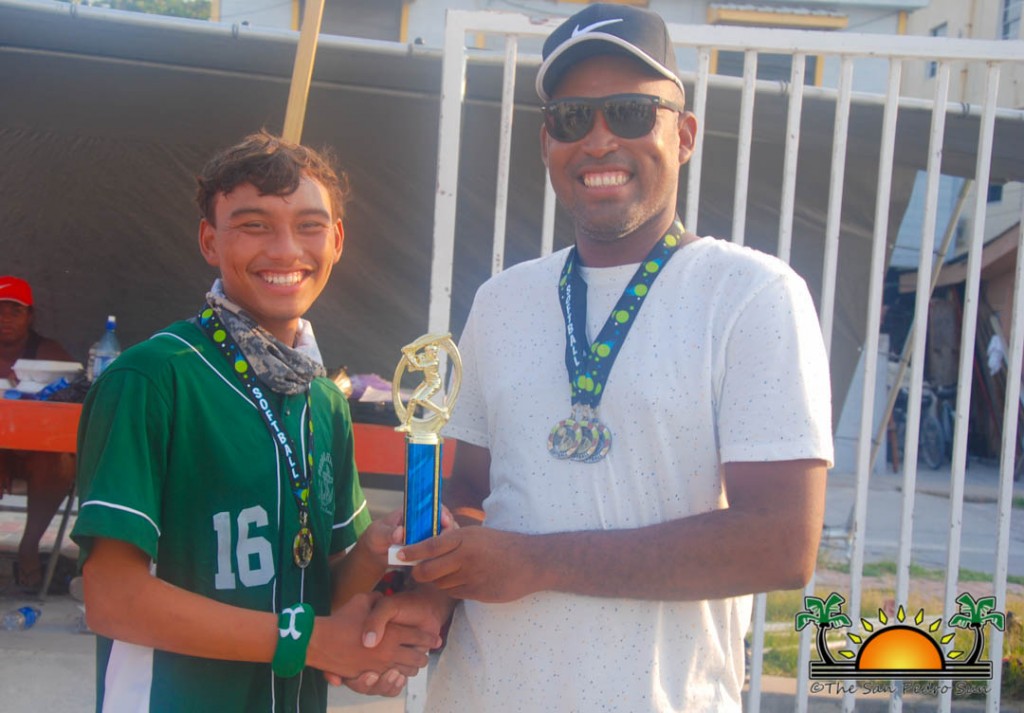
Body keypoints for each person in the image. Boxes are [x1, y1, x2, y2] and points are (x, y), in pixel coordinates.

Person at [386, 5, 834, 711]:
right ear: (547, 143)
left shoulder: (752, 296)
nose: (598, 140)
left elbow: (781, 543)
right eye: (571, 119)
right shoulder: (502, 300)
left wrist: (536, 562)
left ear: (683, 135)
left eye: (630, 113)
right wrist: (435, 571)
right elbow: (472, 490)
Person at [71, 132, 443, 711]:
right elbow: (112, 599)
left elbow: (323, 594)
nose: (286, 250)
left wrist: (373, 557)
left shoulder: (324, 400)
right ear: (209, 240)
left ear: (337, 240)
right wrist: (308, 641)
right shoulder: (152, 378)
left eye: (309, 226)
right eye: (254, 225)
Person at [0, 275, 77, 591]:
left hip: (35, 452)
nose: (5, 318)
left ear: (30, 316)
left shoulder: (48, 352)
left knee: (58, 463)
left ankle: (29, 549)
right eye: (0, 310)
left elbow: (75, 392)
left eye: (15, 311)